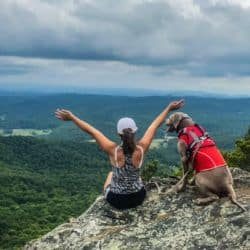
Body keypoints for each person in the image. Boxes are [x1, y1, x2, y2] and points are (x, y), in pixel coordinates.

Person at [55, 99, 184, 210]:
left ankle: (107, 193)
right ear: (134, 132)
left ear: (118, 134)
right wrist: (169, 108)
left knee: (111, 174)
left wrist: (72, 117)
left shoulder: (113, 150)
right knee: (137, 178)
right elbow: (154, 125)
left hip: (116, 200)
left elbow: (91, 131)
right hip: (138, 197)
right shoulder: (141, 149)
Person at [166, 112, 246, 211]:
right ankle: (227, 189)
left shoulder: (183, 139)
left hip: (212, 183)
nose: (168, 120)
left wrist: (183, 184)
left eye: (170, 118)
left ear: (177, 121)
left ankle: (211, 196)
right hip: (227, 179)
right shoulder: (201, 131)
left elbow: (184, 160)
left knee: (199, 177)